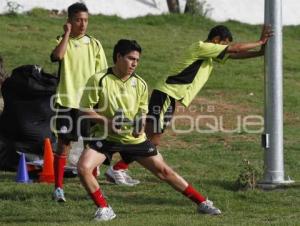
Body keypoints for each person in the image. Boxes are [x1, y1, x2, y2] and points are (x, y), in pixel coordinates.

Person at [107, 25, 273, 183]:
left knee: (146, 137)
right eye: (224, 44)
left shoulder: (209, 54)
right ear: (216, 40)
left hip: (168, 97)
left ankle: (116, 166)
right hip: (165, 95)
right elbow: (235, 49)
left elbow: (235, 55)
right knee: (151, 139)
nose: (225, 48)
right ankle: (115, 166)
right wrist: (259, 42)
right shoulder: (201, 47)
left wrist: (259, 52)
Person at [78, 39, 222, 221]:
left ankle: (202, 203)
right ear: (118, 57)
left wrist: (139, 128)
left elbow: (142, 114)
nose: (134, 64)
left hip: (133, 140)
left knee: (164, 172)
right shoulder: (99, 79)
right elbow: (84, 110)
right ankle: (105, 209)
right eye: (131, 59)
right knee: (83, 167)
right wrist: (106, 122)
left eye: (137, 60)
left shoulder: (140, 84)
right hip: (105, 137)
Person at [50, 2, 107, 202]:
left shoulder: (94, 44)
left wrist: (101, 100)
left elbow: (102, 75)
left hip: (87, 104)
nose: (83, 24)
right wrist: (66, 34)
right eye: (78, 20)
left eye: (85, 20)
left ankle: (92, 187)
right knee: (64, 144)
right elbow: (57, 56)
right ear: (69, 22)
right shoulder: (61, 40)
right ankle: (58, 188)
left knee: (89, 147)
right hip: (67, 100)